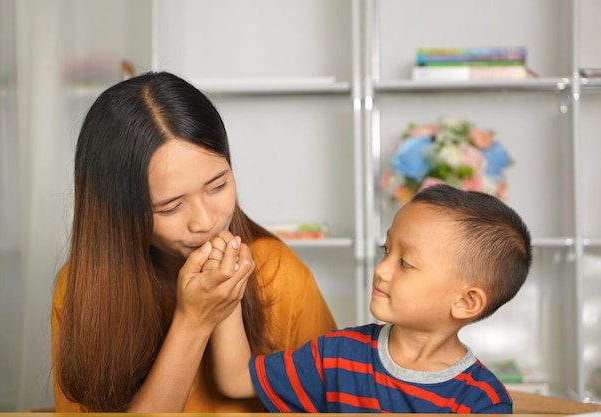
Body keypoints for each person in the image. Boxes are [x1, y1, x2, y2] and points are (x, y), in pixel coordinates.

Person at [50, 71, 337, 413]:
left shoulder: (278, 271)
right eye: (171, 207)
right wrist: (194, 320)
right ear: (117, 211)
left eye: (217, 186)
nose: (206, 221)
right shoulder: (83, 289)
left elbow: (331, 400)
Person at [211, 184, 533, 413]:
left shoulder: (481, 401)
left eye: (405, 263)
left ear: (466, 302)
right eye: (387, 251)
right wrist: (227, 286)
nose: (381, 269)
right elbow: (236, 379)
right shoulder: (336, 354)